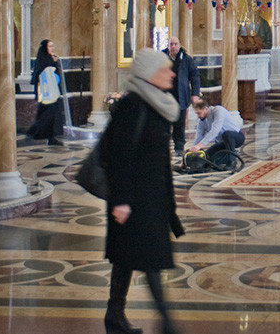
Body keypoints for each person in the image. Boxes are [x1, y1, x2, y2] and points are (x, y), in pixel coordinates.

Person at [100, 47, 184, 334]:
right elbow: (118, 156)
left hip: (153, 197)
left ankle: (114, 315)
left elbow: (159, 158)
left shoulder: (157, 104)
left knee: (127, 257)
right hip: (134, 199)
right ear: (150, 74)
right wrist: (121, 200)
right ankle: (168, 324)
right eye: (165, 69)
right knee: (151, 260)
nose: (172, 73)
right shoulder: (132, 106)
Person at [165, 34, 201, 159]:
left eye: (175, 44)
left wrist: (195, 94)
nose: (173, 46)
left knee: (179, 125)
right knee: (164, 123)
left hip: (181, 96)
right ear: (168, 46)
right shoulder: (162, 57)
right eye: (171, 44)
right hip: (166, 97)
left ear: (179, 45)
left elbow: (195, 77)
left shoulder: (186, 59)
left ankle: (179, 147)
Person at [27, 39, 63, 145]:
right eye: (50, 46)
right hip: (46, 93)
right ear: (45, 48)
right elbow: (39, 75)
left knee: (51, 116)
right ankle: (40, 134)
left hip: (53, 92)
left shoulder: (51, 59)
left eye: (53, 46)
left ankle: (49, 136)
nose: (52, 48)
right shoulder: (42, 60)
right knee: (47, 116)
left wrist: (55, 63)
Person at [190, 97, 245, 165]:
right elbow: (199, 136)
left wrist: (199, 145)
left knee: (227, 134)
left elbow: (215, 130)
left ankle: (232, 161)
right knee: (208, 157)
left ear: (206, 109)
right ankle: (226, 158)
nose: (198, 116)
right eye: (197, 113)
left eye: (199, 113)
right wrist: (193, 150)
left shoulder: (218, 110)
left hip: (236, 137)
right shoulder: (202, 120)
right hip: (223, 142)